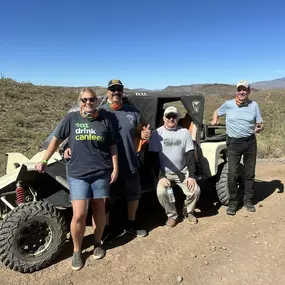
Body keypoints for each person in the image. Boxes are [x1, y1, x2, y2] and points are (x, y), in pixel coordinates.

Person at [35, 88, 118, 271]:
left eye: (92, 99)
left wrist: (116, 167)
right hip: (78, 174)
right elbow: (56, 140)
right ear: (79, 100)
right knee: (79, 214)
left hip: (101, 172)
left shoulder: (105, 120)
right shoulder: (71, 119)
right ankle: (77, 250)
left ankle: (97, 243)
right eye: (84, 100)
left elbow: (112, 146)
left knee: (99, 209)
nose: (88, 103)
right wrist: (44, 160)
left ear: (97, 101)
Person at [65, 80, 151, 239]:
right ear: (107, 92)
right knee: (105, 200)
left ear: (122, 91)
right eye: (113, 89)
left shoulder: (132, 112)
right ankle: (107, 229)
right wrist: (69, 147)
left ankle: (131, 224)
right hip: (105, 163)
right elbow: (80, 129)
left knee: (133, 194)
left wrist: (144, 135)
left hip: (130, 160)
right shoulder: (100, 111)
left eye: (119, 89)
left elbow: (140, 132)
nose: (116, 92)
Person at [211, 80, 264, 215]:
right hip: (234, 143)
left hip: (250, 142)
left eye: (244, 89)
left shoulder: (254, 105)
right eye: (239, 89)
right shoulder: (228, 105)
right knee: (232, 173)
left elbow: (260, 123)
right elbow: (216, 111)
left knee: (249, 172)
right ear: (236, 92)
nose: (242, 92)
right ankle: (233, 201)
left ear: (248, 91)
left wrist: (260, 128)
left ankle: (247, 200)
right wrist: (215, 118)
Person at [148, 106, 201, 227]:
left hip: (182, 171)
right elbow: (153, 159)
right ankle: (172, 215)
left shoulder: (184, 133)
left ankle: (188, 212)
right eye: (168, 116)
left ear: (178, 118)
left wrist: (191, 175)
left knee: (195, 190)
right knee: (161, 192)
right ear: (164, 118)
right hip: (165, 172)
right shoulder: (157, 133)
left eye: (174, 116)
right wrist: (161, 177)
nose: (171, 119)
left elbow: (190, 155)